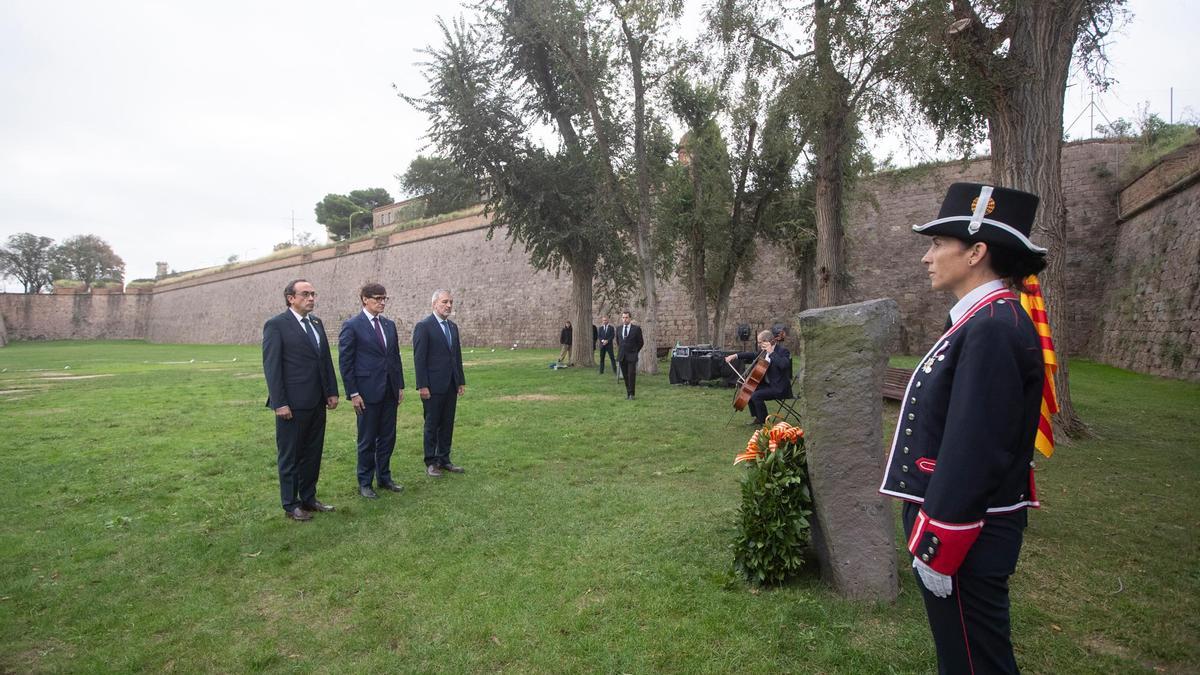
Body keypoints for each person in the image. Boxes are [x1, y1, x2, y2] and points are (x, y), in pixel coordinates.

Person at [878, 182, 1050, 674]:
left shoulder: (992, 326)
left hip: (967, 531)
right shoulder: (984, 320)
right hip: (963, 524)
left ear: (976, 252)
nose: (927, 257)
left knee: (975, 662)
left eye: (938, 244)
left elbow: (976, 444)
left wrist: (942, 541)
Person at [262, 279, 340, 521]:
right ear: (291, 298)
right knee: (291, 456)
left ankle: (309, 498)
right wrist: (279, 402)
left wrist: (331, 391)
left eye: (313, 294)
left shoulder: (316, 323)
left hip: (317, 402)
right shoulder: (276, 325)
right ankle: (291, 504)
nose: (311, 298)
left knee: (312, 453)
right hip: (292, 405)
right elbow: (272, 367)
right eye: (305, 294)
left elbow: (324, 360)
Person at [338, 283, 405, 499]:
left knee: (388, 437)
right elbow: (346, 363)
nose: (382, 302)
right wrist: (353, 393)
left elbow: (395, 357)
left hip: (389, 390)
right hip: (366, 392)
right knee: (367, 440)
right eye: (378, 298)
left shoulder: (389, 325)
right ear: (365, 299)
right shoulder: (352, 326)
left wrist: (399, 385)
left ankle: (384, 477)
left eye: (385, 298)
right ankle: (365, 482)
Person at [413, 289, 467, 477]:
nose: (449, 305)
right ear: (434, 303)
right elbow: (419, 359)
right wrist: (422, 385)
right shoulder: (424, 326)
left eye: (451, 302)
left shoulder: (452, 327)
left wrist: (460, 380)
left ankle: (444, 459)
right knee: (432, 424)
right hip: (432, 386)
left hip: (451, 384)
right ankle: (431, 461)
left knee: (447, 423)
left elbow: (456, 356)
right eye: (445, 302)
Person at [724, 329, 792, 426]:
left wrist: (772, 353)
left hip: (780, 388)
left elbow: (784, 365)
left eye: (760, 342)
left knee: (756, 395)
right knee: (749, 389)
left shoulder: (782, 351)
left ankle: (765, 422)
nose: (759, 344)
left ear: (767, 341)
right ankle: (758, 417)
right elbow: (752, 355)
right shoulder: (763, 352)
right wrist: (735, 356)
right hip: (769, 385)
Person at [616, 310, 644, 399]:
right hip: (622, 356)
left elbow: (640, 342)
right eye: (623, 317)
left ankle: (632, 394)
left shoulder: (636, 329)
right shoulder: (619, 329)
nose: (625, 319)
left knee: (631, 374)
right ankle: (628, 393)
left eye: (626, 317)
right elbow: (618, 342)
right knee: (625, 376)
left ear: (630, 318)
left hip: (632, 356)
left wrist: (635, 351)